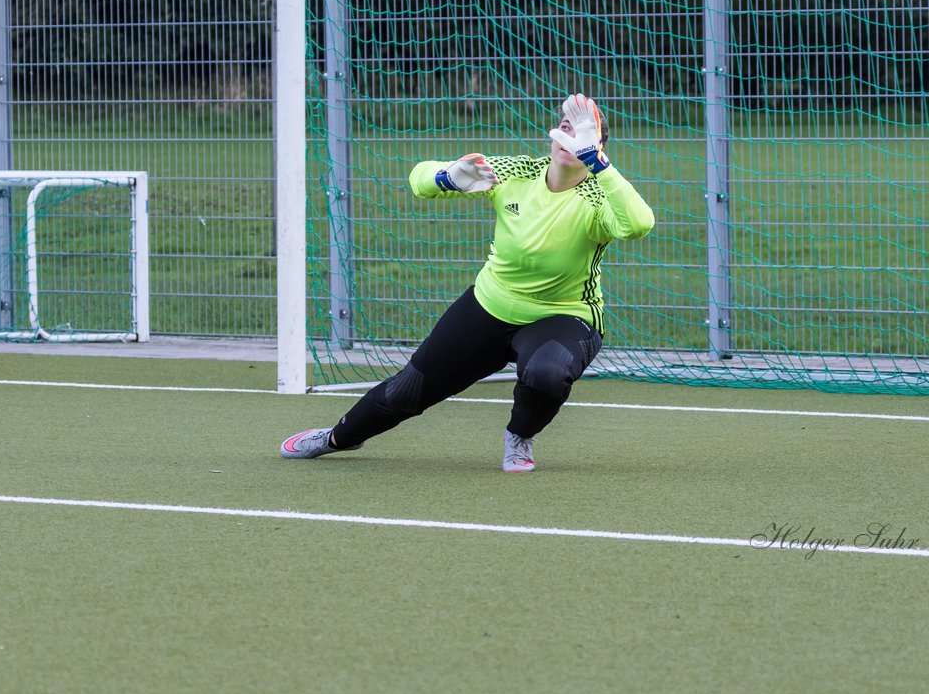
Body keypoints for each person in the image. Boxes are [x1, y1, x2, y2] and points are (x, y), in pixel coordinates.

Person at [280, 94, 655, 472]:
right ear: (553, 136)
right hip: (489, 305)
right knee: (406, 391)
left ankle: (519, 437)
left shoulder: (598, 195)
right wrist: (448, 176)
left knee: (547, 373)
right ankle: (337, 437)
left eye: (585, 137)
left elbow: (639, 224)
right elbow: (418, 179)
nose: (571, 140)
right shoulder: (516, 172)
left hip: (564, 315)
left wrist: (598, 163)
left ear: (598, 147)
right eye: (567, 129)